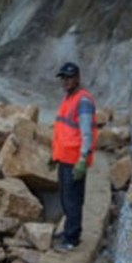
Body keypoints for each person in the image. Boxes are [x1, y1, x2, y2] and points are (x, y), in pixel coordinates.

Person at [52, 61, 95, 251]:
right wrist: (55, 155)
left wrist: (83, 159)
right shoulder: (69, 98)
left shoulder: (83, 101)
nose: (66, 81)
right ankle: (70, 229)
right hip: (64, 158)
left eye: (69, 78)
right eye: (64, 78)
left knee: (73, 200)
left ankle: (71, 239)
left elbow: (87, 134)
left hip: (75, 160)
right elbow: (63, 131)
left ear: (77, 78)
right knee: (65, 197)